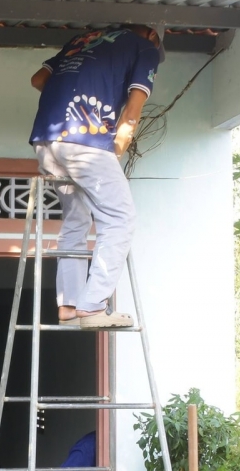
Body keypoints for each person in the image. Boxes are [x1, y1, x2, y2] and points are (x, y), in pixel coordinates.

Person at [29, 24, 162, 328]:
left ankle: (69, 305)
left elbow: (39, 80)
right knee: (120, 218)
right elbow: (133, 110)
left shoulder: (81, 40)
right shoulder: (146, 48)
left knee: (76, 219)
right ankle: (92, 306)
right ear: (153, 34)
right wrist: (114, 150)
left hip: (45, 141)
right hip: (85, 140)